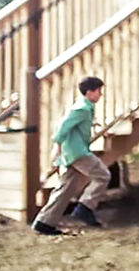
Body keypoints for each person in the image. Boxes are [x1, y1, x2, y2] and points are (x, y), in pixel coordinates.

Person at [32, 76, 111, 235]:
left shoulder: (86, 107)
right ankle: (85, 207)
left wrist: (92, 124)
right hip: (77, 152)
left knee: (66, 188)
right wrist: (57, 144)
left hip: (72, 152)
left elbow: (76, 124)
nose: (100, 95)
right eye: (98, 91)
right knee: (103, 175)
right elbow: (62, 127)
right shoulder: (81, 108)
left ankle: (44, 222)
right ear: (89, 92)